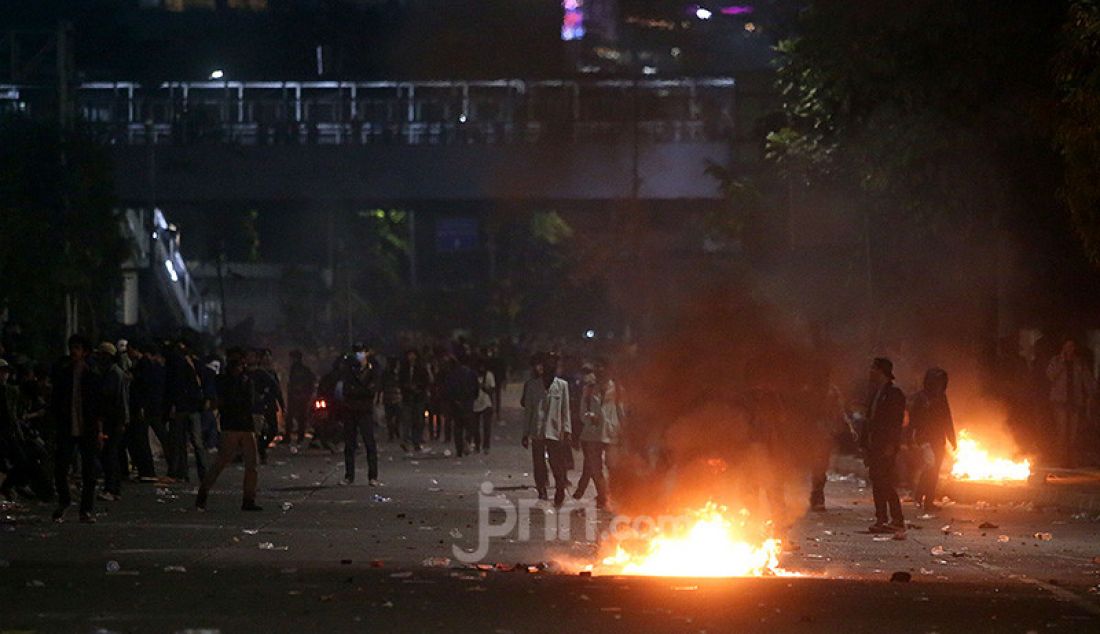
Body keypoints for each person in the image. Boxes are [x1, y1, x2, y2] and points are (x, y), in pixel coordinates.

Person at [196, 349, 262, 511]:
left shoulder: (236, 380)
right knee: (227, 462)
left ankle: (247, 499)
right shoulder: (234, 381)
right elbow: (245, 402)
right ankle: (205, 494)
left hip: (238, 425)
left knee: (247, 464)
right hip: (236, 425)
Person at [50, 334, 102, 523]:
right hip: (67, 427)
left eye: (78, 348)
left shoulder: (92, 375)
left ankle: (86, 510)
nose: (74, 351)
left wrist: (98, 429)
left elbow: (98, 404)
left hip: (86, 428)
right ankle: (65, 501)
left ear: (85, 352)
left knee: (89, 471)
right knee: (61, 467)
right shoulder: (63, 373)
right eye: (72, 347)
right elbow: (56, 400)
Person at [861, 357, 907, 534]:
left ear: (882, 371)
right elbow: (869, 420)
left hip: (885, 447)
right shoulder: (876, 393)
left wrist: (891, 445)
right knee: (877, 483)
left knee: (886, 482)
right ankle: (881, 518)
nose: (870, 371)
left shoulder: (894, 394)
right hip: (874, 446)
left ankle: (897, 519)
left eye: (873, 368)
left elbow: (895, 423)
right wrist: (864, 444)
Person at [522, 353, 572, 507]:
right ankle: (541, 489)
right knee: (538, 463)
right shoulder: (532, 385)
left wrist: (567, 430)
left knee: (556, 462)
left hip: (555, 431)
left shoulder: (562, 385)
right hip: (537, 430)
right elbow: (528, 410)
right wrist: (525, 434)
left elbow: (565, 410)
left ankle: (559, 488)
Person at [573, 359, 622, 510]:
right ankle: (602, 496)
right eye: (598, 370)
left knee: (612, 466)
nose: (601, 373)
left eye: (604, 370)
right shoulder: (588, 389)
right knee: (595, 468)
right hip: (592, 434)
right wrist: (590, 417)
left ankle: (610, 494)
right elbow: (582, 413)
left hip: (611, 433)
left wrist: (623, 432)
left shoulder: (618, 390)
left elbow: (621, 413)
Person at [909, 367, 957, 511]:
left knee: (934, 470)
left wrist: (952, 438)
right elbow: (913, 419)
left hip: (938, 439)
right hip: (925, 439)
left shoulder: (941, 397)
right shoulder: (921, 398)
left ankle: (928, 501)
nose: (940, 385)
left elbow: (947, 418)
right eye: (937, 382)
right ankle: (919, 495)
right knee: (930, 466)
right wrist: (913, 437)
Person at [164, 338, 207, 482]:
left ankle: (181, 472)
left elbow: (173, 386)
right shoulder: (194, 364)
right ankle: (200, 473)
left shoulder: (177, 363)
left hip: (184, 407)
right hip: (192, 407)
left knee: (181, 441)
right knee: (196, 442)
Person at [1045, 338, 1094, 467]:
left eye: (1072, 347)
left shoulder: (1079, 363)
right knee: (1062, 431)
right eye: (1067, 346)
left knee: (1072, 433)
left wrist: (1092, 393)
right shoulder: (1056, 361)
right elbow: (1050, 375)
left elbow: (1087, 380)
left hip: (1075, 401)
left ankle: (1070, 460)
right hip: (1060, 401)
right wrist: (1062, 362)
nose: (1069, 349)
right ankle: (1061, 459)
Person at [94, 342, 130, 502]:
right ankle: (114, 488)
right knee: (111, 454)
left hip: (114, 419)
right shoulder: (109, 373)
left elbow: (119, 399)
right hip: (111, 418)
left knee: (110, 454)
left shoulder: (115, 374)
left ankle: (111, 488)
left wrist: (122, 420)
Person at [338, 354, 380, 485]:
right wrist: (360, 391)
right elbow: (346, 391)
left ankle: (373, 476)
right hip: (351, 411)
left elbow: (371, 391)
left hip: (365, 412)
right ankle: (349, 476)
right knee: (349, 445)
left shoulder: (372, 372)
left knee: (369, 443)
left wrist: (357, 391)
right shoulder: (349, 372)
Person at [122, 341, 157, 482]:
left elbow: (145, 387)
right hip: (138, 407)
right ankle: (144, 470)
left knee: (140, 439)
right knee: (138, 439)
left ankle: (147, 471)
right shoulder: (140, 364)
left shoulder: (144, 364)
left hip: (140, 407)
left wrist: (142, 406)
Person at [250, 349, 284, 464]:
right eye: (265, 356)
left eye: (269, 356)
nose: (267, 359)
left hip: (269, 405)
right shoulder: (253, 372)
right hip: (256, 406)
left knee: (273, 430)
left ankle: (261, 448)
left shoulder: (272, 373)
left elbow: (277, 390)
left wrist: (282, 405)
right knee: (257, 431)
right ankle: (258, 452)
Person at [444, 355, 480, 457]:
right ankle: (467, 441)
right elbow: (476, 389)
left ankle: (459, 449)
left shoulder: (452, 374)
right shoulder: (471, 374)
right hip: (468, 402)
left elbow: (448, 389)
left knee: (458, 427)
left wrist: (454, 400)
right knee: (469, 426)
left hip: (456, 404)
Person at [399, 348, 431, 453]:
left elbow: (426, 381)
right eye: (409, 355)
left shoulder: (421, 368)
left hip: (418, 398)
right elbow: (400, 381)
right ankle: (406, 442)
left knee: (418, 421)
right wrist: (407, 387)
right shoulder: (404, 368)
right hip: (407, 398)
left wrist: (418, 388)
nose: (411, 357)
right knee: (407, 421)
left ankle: (416, 441)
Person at [285, 350, 316, 449]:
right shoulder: (301, 369)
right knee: (299, 418)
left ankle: (292, 436)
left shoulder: (297, 369)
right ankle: (299, 436)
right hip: (300, 396)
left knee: (295, 417)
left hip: (298, 396)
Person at [472, 359, 496, 454]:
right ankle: (477, 445)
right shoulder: (472, 376)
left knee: (487, 427)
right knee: (475, 427)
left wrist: (483, 387)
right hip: (475, 404)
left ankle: (486, 446)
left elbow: (492, 390)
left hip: (487, 404)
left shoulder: (489, 375)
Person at [381, 356, 403, 443]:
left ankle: (393, 432)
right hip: (393, 397)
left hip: (391, 397)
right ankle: (393, 432)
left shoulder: (389, 373)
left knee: (391, 417)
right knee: (394, 416)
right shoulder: (390, 374)